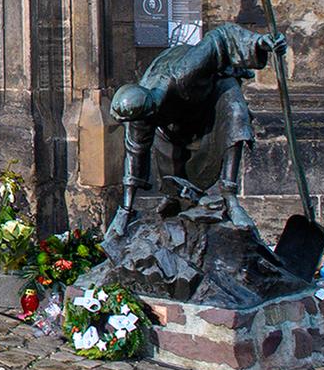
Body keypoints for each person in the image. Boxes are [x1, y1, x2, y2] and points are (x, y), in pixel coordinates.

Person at [105, 23, 286, 240]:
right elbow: (135, 154)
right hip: (182, 115)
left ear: (151, 107)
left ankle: (230, 198)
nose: (137, 126)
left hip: (214, 91)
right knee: (174, 169)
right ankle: (175, 199)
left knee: (236, 115)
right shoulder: (138, 116)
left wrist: (259, 42)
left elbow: (220, 37)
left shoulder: (184, 71)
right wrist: (124, 211)